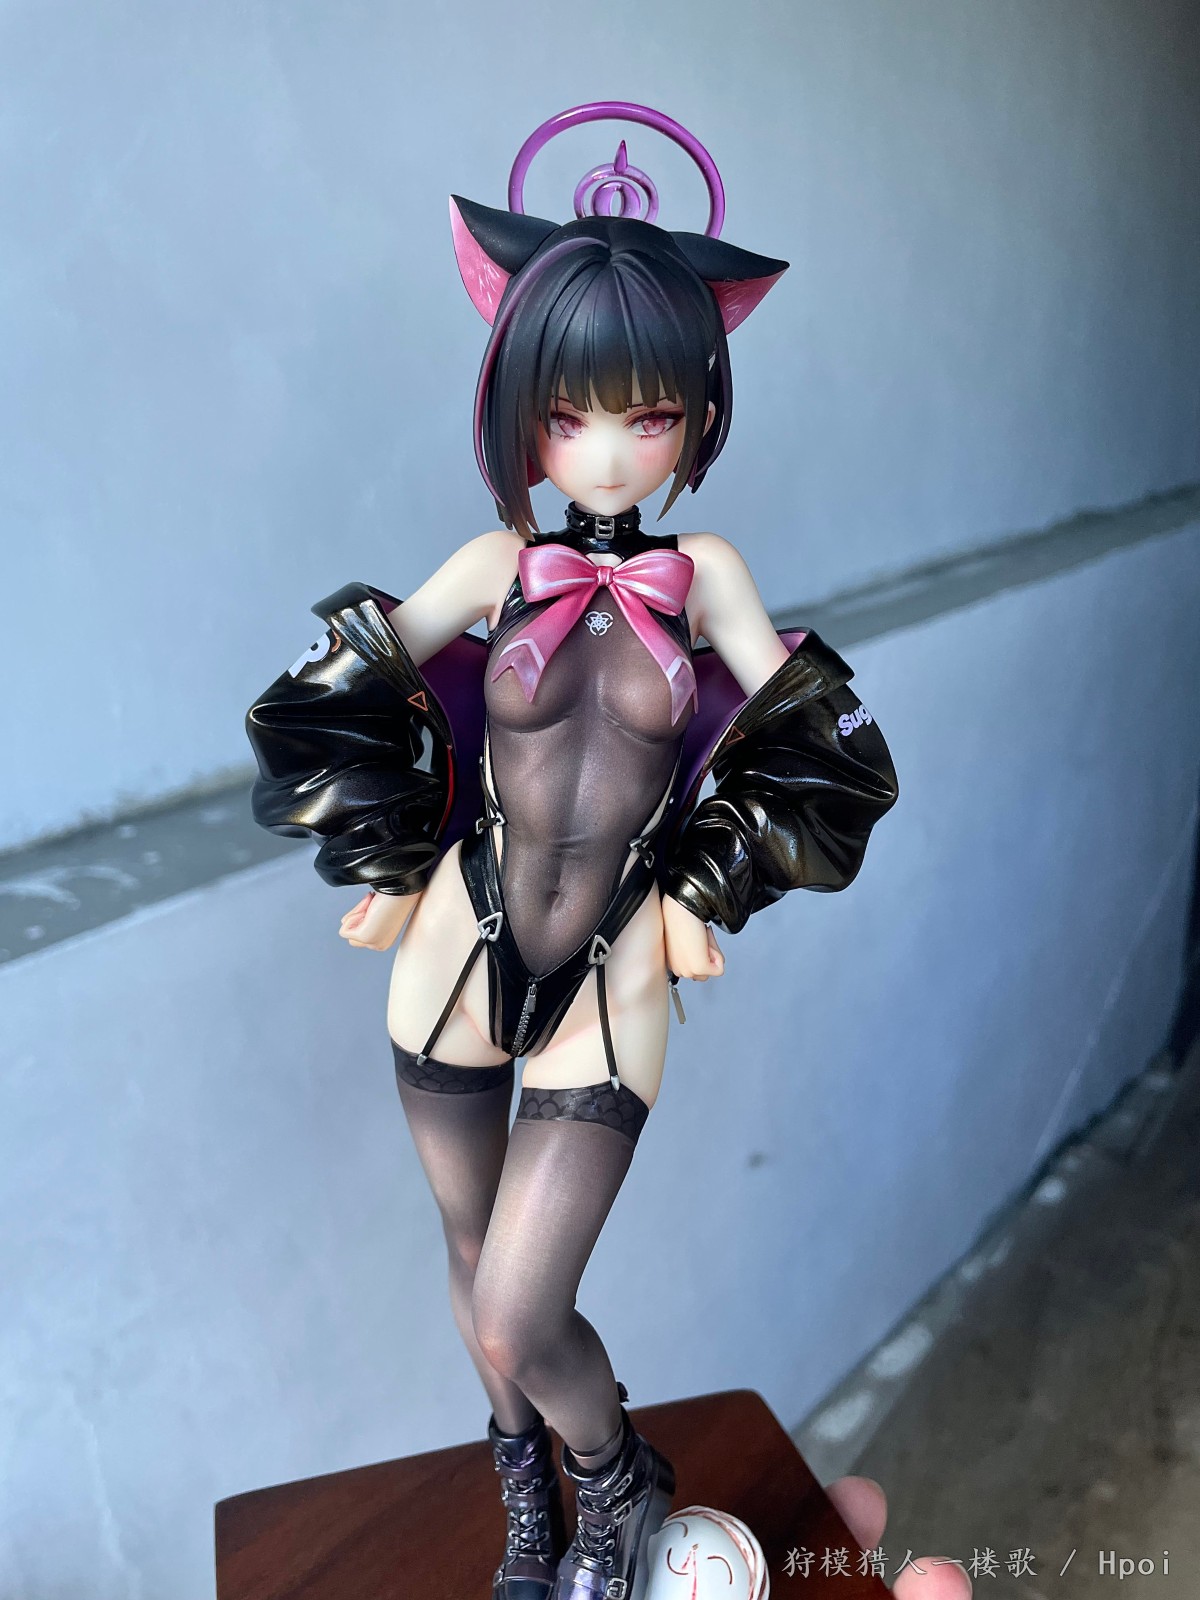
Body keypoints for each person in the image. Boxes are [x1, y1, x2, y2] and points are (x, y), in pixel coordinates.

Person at [246, 103, 900, 1600]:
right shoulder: (495, 565)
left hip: (616, 966)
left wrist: (703, 885)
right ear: (520, 413)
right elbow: (327, 693)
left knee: (520, 1306)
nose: (606, 451)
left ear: (695, 415)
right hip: (456, 943)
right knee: (468, 1253)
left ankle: (615, 1484)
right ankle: (529, 1509)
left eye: (648, 416)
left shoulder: (706, 575)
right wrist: (386, 857)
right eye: (571, 414)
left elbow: (823, 744)